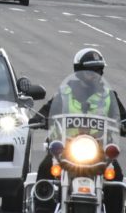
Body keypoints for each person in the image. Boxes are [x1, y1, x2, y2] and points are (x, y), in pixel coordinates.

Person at [32, 49, 126, 213]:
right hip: (66, 147)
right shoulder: (64, 93)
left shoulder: (109, 95)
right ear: (79, 71)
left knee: (115, 176)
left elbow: (122, 116)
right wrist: (40, 118)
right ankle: (42, 208)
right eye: (90, 70)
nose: (94, 74)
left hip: (99, 150)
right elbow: (48, 110)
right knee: (46, 168)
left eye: (97, 70)